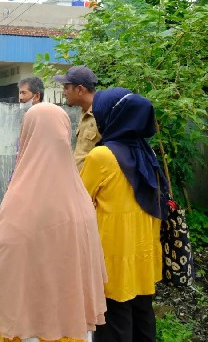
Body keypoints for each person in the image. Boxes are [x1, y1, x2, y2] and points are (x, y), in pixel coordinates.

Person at [0, 103, 107, 342]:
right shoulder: (78, 194)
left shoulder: (21, 193)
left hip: (27, 323)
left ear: (26, 132)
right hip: (70, 323)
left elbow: (2, 255)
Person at [80, 88, 169, 342]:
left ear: (112, 116)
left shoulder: (102, 156)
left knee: (114, 325)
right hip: (142, 255)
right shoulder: (146, 152)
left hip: (113, 258)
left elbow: (80, 202)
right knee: (143, 319)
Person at [54, 65, 101, 171]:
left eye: (66, 88)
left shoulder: (101, 114)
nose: (64, 93)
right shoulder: (84, 112)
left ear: (79, 89)